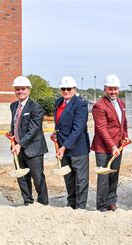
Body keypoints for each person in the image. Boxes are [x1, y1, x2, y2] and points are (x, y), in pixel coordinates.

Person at [91, 74, 129, 212]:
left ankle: (111, 202)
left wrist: (124, 136)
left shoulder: (121, 103)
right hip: (104, 148)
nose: (113, 92)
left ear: (119, 89)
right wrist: (112, 146)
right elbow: (101, 128)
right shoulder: (99, 106)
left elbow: (123, 123)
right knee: (103, 178)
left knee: (114, 175)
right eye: (110, 89)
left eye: (115, 89)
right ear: (105, 89)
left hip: (118, 146)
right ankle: (101, 206)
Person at [51, 76, 90, 209]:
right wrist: (55, 132)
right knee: (68, 178)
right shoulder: (58, 102)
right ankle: (71, 202)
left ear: (74, 89)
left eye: (69, 89)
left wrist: (65, 146)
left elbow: (78, 128)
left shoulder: (81, 104)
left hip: (78, 148)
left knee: (81, 179)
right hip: (63, 147)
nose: (66, 91)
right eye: (63, 89)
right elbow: (60, 123)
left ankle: (80, 207)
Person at [9, 76, 49, 205]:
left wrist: (20, 144)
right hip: (18, 149)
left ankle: (43, 203)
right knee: (22, 177)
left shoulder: (36, 107)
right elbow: (17, 124)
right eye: (18, 89)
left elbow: (33, 129)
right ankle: (28, 202)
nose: (20, 91)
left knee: (37, 178)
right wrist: (12, 135)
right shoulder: (13, 106)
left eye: (23, 89)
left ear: (29, 90)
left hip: (34, 149)